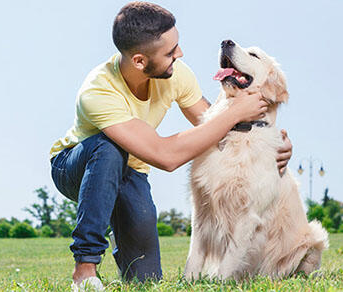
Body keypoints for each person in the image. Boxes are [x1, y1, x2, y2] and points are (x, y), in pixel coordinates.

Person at [49, 1, 292, 289]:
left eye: (177, 45)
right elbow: (166, 157)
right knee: (108, 149)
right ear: (140, 60)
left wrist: (272, 143)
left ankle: (119, 222)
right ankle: (85, 268)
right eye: (170, 52)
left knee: (147, 280)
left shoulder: (177, 73)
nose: (180, 53)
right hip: (75, 166)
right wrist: (236, 112)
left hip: (131, 174)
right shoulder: (97, 91)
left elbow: (212, 125)